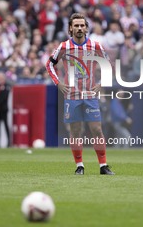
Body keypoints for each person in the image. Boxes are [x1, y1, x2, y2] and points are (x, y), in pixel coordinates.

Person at [46, 13, 114, 175]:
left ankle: (103, 166)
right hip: (72, 96)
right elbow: (49, 64)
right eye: (76, 25)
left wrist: (101, 84)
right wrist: (58, 83)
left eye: (82, 25)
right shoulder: (64, 47)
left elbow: (108, 65)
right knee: (75, 130)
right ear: (70, 28)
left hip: (90, 94)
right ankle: (80, 166)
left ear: (86, 28)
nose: (79, 28)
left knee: (96, 129)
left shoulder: (95, 46)